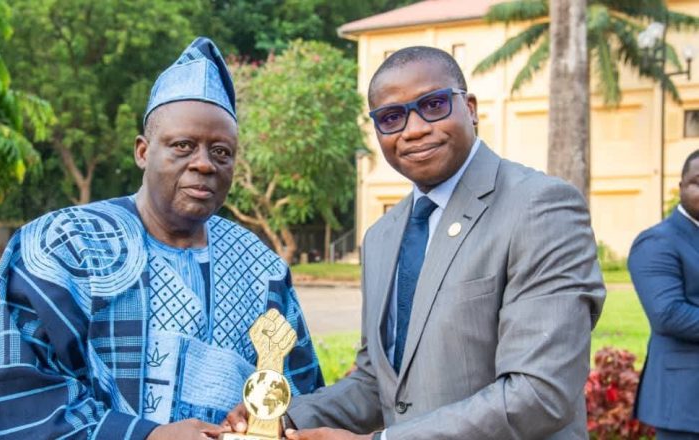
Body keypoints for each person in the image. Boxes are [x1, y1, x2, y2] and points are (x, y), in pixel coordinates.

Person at [0, 37, 323, 440]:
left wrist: (272, 419)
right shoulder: (60, 246)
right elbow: (7, 400)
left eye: (221, 152)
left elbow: (298, 393)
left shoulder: (260, 267)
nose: (203, 164)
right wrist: (143, 435)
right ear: (143, 151)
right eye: (183, 146)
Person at [225, 46, 605, 439]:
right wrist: (282, 416)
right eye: (392, 117)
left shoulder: (540, 207)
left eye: (434, 104)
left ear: (470, 108)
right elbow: (380, 383)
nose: (415, 128)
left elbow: (540, 393)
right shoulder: (382, 237)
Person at [629, 149, 699, 440]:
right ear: (680, 186)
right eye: (698, 181)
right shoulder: (658, 241)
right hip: (686, 400)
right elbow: (669, 314)